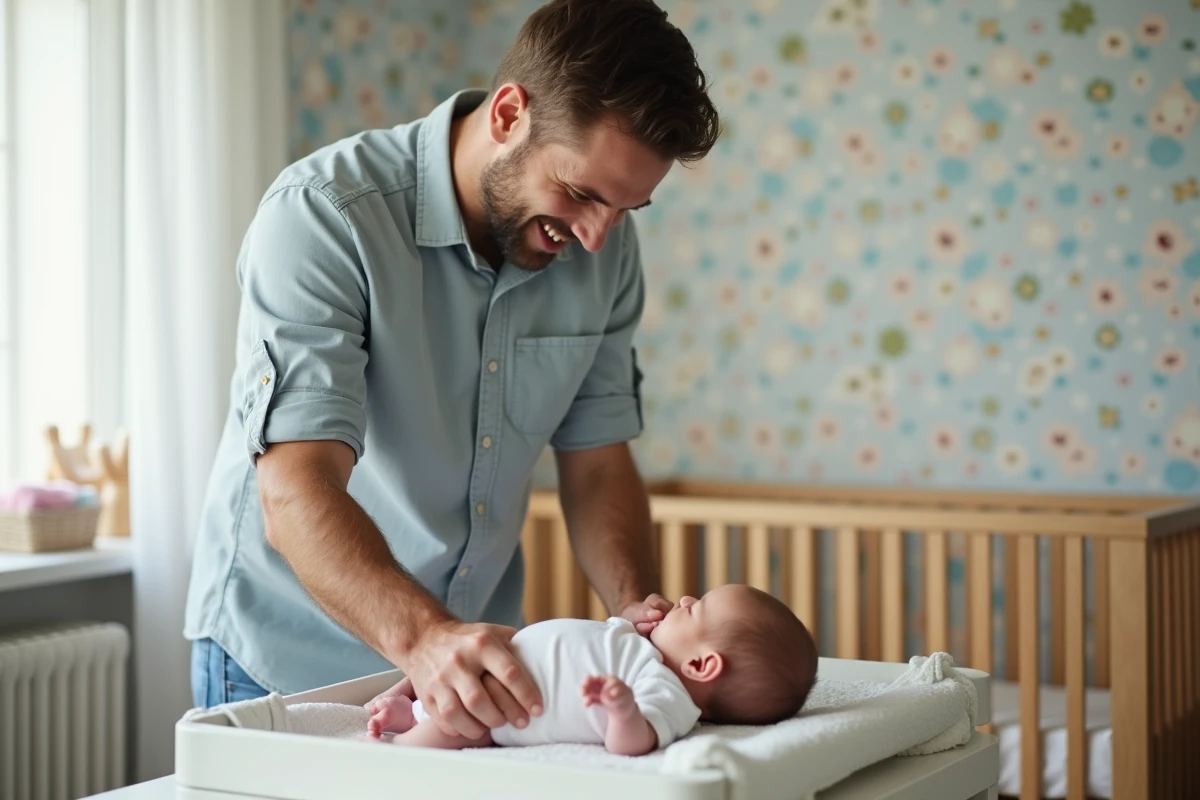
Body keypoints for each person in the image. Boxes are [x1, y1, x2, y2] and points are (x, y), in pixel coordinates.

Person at [183, 0, 721, 745]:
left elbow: (597, 463)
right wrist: (424, 639)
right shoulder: (324, 217)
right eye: (582, 194)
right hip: (285, 656)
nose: (598, 238)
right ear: (509, 114)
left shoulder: (604, 252)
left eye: (627, 208)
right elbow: (294, 487)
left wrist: (637, 612)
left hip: (467, 661)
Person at [365, 586, 818, 755]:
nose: (682, 600)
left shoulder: (667, 693)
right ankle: (408, 704)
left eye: (694, 609)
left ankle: (401, 739)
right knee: (459, 662)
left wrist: (622, 711)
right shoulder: (647, 649)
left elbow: (635, 743)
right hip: (500, 659)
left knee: (455, 728)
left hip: (502, 714)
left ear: (701, 665)